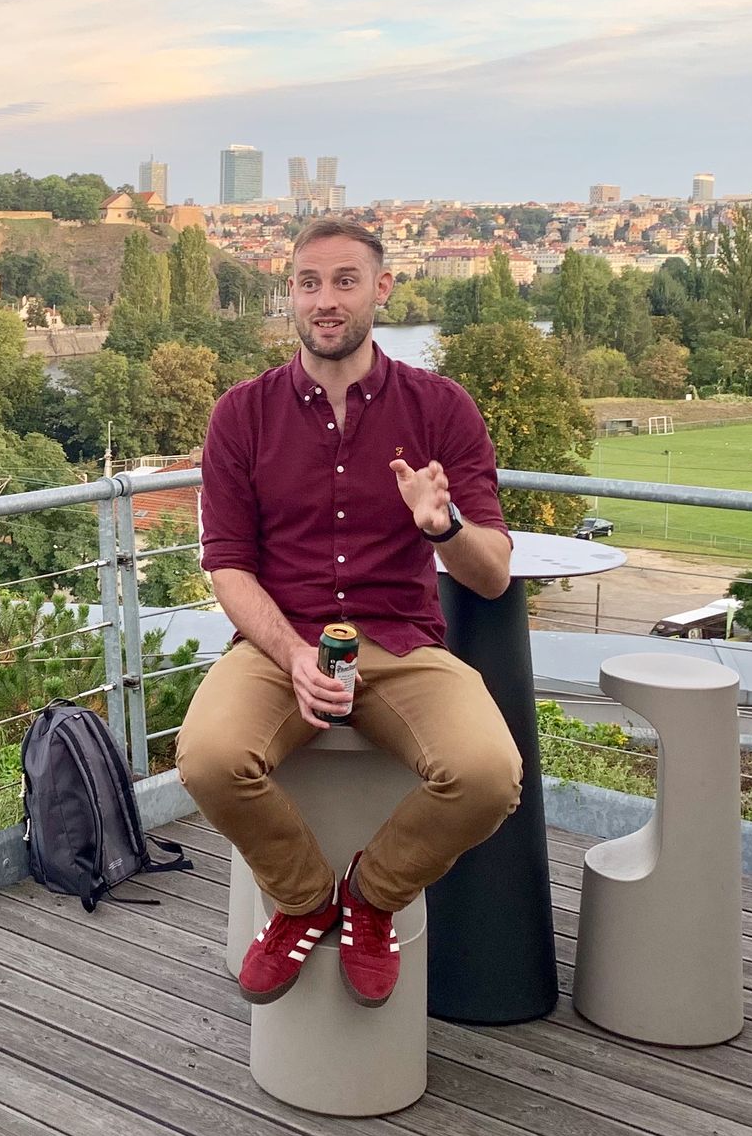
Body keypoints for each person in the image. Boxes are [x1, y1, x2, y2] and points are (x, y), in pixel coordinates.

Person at [177, 215, 522, 1008]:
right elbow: (228, 565)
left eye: (344, 281)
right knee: (207, 757)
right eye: (309, 283)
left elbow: (493, 574)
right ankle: (303, 899)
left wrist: (443, 527)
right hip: (279, 643)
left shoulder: (441, 407)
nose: (325, 300)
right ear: (291, 294)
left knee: (488, 774)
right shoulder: (241, 414)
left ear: (381, 288)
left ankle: (372, 896)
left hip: (401, 643)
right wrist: (294, 655)